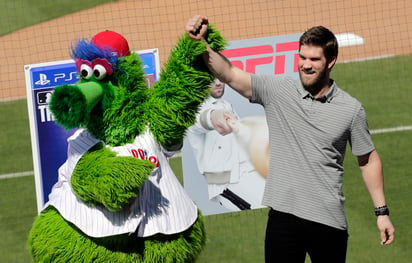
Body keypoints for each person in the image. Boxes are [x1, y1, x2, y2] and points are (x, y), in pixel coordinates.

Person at [185, 15, 395, 262]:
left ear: (331, 62)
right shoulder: (278, 90)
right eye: (302, 57)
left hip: (329, 221)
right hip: (283, 218)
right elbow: (230, 74)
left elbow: (368, 160)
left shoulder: (351, 109)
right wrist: (202, 42)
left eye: (314, 59)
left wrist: (381, 212)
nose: (306, 65)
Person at [187, 78, 266, 211]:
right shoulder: (193, 109)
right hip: (227, 185)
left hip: (251, 173)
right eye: (212, 78)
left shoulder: (226, 104)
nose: (218, 83)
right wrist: (213, 117)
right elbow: (203, 119)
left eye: (220, 77)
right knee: (265, 215)